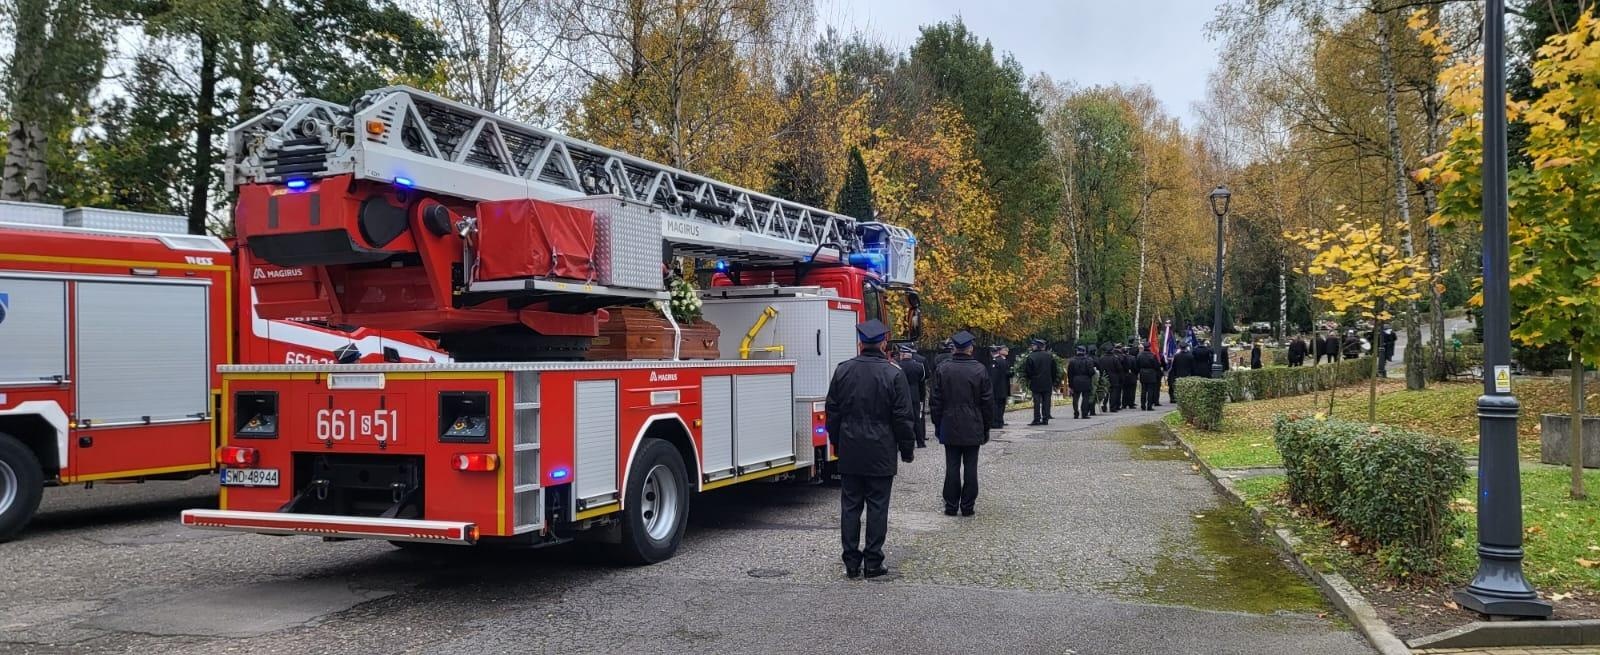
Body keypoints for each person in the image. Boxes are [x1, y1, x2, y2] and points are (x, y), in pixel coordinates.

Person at [826, 320, 915, 580]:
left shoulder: (843, 371)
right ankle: (873, 561)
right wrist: (906, 449)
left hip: (851, 448)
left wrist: (837, 443)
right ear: (884, 343)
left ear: (860, 343)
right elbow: (903, 418)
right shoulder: (893, 374)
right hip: (881, 450)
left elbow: (833, 412)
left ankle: (851, 562)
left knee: (850, 506)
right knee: (877, 506)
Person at [929, 331, 994, 517]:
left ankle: (951, 505)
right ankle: (967, 506)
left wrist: (937, 424)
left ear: (954, 348)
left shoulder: (943, 369)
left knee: (952, 466)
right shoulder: (980, 370)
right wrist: (986, 426)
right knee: (971, 467)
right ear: (970, 348)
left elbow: (935, 401)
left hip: (949, 423)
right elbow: (987, 402)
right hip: (973, 424)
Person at [1022, 338, 1059, 426]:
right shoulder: (1049, 356)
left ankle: (1037, 419)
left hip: (1036, 382)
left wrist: (1030, 378)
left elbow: (1028, 371)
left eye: (1033, 345)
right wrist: (1052, 380)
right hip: (1047, 382)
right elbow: (1054, 370)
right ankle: (1045, 419)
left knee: (1037, 402)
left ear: (1037, 346)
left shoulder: (1031, 356)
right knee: (1046, 401)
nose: (1032, 347)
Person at [897, 344, 928, 449]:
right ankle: (920, 442)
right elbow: (921, 381)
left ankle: (902, 443)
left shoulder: (897, 366)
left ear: (902, 354)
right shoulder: (919, 366)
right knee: (917, 419)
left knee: (902, 419)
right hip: (915, 395)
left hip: (901, 396)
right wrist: (921, 396)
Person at [1067, 346, 1096, 419]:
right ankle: (1084, 413)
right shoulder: (1089, 360)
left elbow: (1069, 374)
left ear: (1077, 351)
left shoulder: (1072, 361)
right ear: (1084, 352)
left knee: (1075, 398)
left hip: (1075, 380)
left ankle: (1076, 413)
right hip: (1086, 380)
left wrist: (1070, 385)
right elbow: (1091, 372)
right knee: (1085, 398)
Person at [988, 345, 1012, 428]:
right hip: (1004, 387)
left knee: (995, 405)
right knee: (1001, 405)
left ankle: (995, 422)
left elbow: (994, 377)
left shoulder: (995, 361)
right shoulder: (1004, 360)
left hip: (997, 388)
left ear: (991, 353)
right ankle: (1000, 421)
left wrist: (990, 387)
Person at [1136, 344, 1163, 411]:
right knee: (1150, 390)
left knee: (1143, 390)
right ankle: (1149, 406)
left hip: (1143, 373)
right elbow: (1157, 366)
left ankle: (1143, 405)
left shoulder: (1140, 355)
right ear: (1149, 347)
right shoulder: (1152, 355)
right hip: (1151, 373)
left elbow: (1137, 365)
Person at [1098, 345, 1122, 413]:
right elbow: (1119, 368)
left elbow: (1100, 368)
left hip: (1105, 377)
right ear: (1112, 351)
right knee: (1113, 393)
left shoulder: (1102, 358)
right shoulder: (1115, 358)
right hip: (1114, 377)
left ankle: (1104, 405)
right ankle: (1112, 407)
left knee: (1105, 392)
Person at [1119, 346, 1138, 410]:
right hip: (1132, 375)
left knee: (1125, 391)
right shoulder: (1133, 358)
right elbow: (1135, 367)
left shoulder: (1121, 358)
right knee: (1132, 391)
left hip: (1124, 375)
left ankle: (1124, 404)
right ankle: (1131, 404)